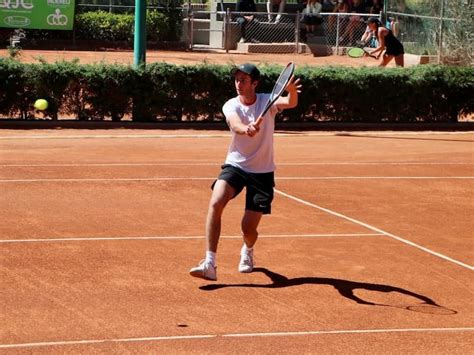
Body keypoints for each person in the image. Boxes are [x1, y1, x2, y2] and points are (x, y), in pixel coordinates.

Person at [189, 63, 302, 281]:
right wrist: (246, 129)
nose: (238, 84)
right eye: (236, 79)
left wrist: (292, 91)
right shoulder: (231, 105)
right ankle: (209, 263)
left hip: (262, 172)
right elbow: (235, 124)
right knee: (216, 202)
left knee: (248, 229)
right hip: (236, 165)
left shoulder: (267, 101)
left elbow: (290, 102)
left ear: (255, 83)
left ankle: (248, 249)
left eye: (243, 80)